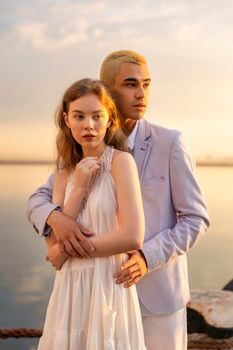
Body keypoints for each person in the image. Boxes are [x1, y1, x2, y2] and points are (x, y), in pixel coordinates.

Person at [27, 50, 210, 350]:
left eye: (147, 84)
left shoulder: (171, 143)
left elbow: (196, 218)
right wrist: (56, 219)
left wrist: (147, 256)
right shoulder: (84, 147)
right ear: (107, 90)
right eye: (130, 84)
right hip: (99, 296)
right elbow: (37, 200)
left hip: (159, 298)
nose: (142, 94)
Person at [36, 78, 146, 349]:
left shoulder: (121, 163)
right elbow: (53, 248)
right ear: (66, 119)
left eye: (97, 116)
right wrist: (79, 189)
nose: (88, 125)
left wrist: (68, 250)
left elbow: (133, 236)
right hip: (69, 289)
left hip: (106, 283)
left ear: (109, 120)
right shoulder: (63, 173)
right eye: (79, 116)